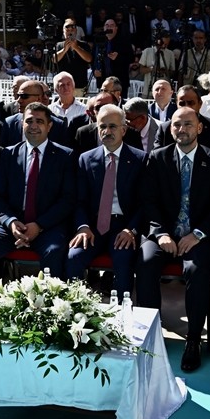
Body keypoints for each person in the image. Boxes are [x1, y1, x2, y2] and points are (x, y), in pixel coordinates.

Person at [135, 106, 210, 373]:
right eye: (177, 125)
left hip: (198, 235)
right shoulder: (157, 158)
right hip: (162, 232)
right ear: (169, 128)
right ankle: (150, 336)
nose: (182, 129)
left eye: (188, 124)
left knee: (196, 270)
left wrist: (198, 234)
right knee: (145, 260)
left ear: (199, 128)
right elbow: (148, 201)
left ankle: (193, 341)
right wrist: (161, 233)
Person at [0, 102, 76, 281]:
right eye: (29, 121)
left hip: (48, 227)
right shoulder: (8, 154)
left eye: (39, 121)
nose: (34, 126)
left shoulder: (65, 156)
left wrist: (39, 225)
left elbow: (67, 200)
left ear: (49, 126)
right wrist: (11, 222)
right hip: (13, 226)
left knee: (55, 252)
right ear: (22, 124)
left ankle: (50, 308)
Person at [66, 105, 146, 299]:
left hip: (123, 226)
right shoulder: (86, 159)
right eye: (102, 126)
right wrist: (83, 226)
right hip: (93, 225)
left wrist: (132, 230)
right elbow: (79, 200)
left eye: (112, 126)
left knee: (123, 259)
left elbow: (145, 203)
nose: (107, 131)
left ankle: (122, 315)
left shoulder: (140, 159)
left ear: (123, 130)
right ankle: (75, 312)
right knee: (73, 257)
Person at [53, 19, 94, 94]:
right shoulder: (59, 45)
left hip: (80, 85)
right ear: (63, 31)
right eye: (67, 30)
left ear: (76, 31)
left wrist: (76, 48)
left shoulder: (84, 45)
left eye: (72, 30)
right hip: (63, 86)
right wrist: (64, 50)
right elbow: (54, 60)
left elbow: (89, 59)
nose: (70, 32)